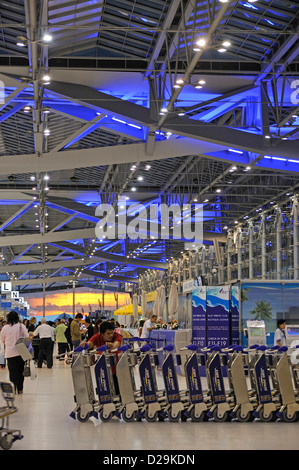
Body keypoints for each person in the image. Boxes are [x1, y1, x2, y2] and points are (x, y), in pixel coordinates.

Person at [79, 321, 122, 394]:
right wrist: (85, 345)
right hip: (102, 369)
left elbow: (117, 344)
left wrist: (112, 346)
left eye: (112, 332)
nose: (111, 335)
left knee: (118, 390)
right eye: (108, 333)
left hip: (117, 369)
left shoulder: (117, 335)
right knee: (104, 390)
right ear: (102, 334)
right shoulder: (97, 337)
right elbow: (90, 343)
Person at [0, 311, 28, 394]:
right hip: (21, 352)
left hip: (10, 353)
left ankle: (13, 388)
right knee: (20, 371)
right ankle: (20, 389)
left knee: (12, 372)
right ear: (17, 318)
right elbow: (26, 337)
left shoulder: (5, 328)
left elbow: (2, 340)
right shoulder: (21, 326)